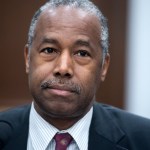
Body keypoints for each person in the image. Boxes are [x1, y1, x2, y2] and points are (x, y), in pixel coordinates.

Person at [0, 0, 150, 149]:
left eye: (82, 53)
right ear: (28, 58)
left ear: (104, 66)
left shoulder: (144, 139)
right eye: (49, 50)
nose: (63, 68)